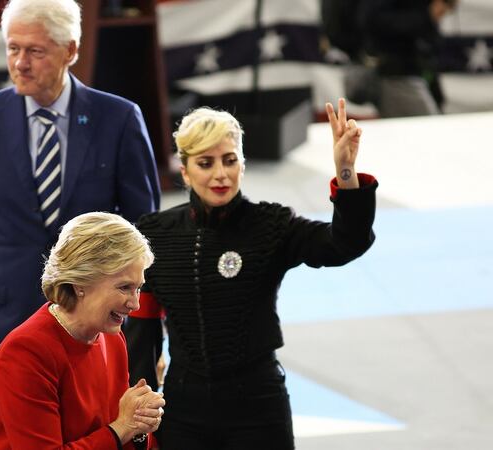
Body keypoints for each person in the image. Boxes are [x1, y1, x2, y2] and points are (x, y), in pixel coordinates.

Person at [124, 99, 378, 448]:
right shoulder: (155, 234)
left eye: (230, 160)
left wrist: (345, 171)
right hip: (183, 412)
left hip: (259, 409)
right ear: (185, 171)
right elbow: (142, 336)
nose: (220, 174)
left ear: (242, 165)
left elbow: (343, 244)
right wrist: (141, 422)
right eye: (205, 163)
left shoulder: (271, 225)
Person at [0, 0, 161, 386]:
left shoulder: (119, 119)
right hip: (0, 321)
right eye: (13, 48)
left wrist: (148, 335)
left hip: (89, 322)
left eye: (35, 51)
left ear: (70, 50)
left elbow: (142, 233)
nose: (20, 63)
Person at [0, 212, 165, 449]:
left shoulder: (112, 339)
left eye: (138, 288)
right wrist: (123, 427)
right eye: (124, 287)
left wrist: (139, 426)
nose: (135, 304)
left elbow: (118, 430)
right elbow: (115, 430)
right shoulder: (26, 352)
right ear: (80, 283)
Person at [358, 0, 458, 117]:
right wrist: (426, 16)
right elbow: (374, 20)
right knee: (429, 124)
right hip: (397, 73)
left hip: (418, 71)